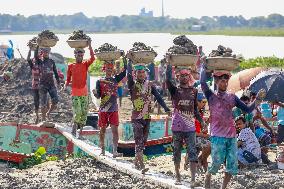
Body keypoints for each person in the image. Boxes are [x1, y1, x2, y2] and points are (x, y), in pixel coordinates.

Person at [200, 64, 266, 189]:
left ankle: (223, 187)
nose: (224, 83)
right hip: (217, 135)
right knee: (216, 163)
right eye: (221, 81)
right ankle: (208, 175)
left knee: (231, 165)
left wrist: (257, 101)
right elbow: (203, 83)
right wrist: (204, 67)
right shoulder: (211, 96)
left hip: (231, 135)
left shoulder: (232, 97)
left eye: (226, 81)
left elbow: (246, 109)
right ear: (216, 81)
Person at [127, 60, 170, 173]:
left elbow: (158, 97)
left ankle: (135, 162)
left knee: (144, 142)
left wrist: (166, 108)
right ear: (135, 74)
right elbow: (128, 74)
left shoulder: (150, 85)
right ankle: (141, 165)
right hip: (136, 118)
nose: (141, 74)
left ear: (146, 73)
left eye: (143, 72)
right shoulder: (132, 85)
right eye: (139, 72)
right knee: (139, 142)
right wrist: (128, 61)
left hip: (146, 118)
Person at [166, 65, 205, 186]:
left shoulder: (194, 91)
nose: (184, 77)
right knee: (177, 151)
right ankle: (178, 176)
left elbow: (195, 110)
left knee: (192, 152)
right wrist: (169, 65)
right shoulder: (175, 90)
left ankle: (193, 179)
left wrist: (202, 121)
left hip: (190, 127)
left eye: (186, 75)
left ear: (189, 76)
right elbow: (167, 80)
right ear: (178, 77)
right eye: (181, 75)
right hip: (177, 127)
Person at [93, 57, 127, 157]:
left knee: (115, 131)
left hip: (113, 109)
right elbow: (99, 96)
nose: (109, 70)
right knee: (102, 130)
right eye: (107, 69)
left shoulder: (116, 79)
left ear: (112, 70)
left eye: (110, 69)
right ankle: (102, 149)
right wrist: (95, 94)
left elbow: (125, 71)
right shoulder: (99, 81)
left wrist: (124, 58)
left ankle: (115, 151)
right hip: (103, 109)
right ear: (105, 69)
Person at [65, 41, 95, 137]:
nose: (80, 55)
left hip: (84, 93)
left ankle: (80, 133)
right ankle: (74, 129)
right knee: (77, 112)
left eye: (81, 54)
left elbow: (93, 58)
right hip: (75, 93)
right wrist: (65, 85)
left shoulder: (85, 64)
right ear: (75, 54)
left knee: (84, 113)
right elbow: (68, 79)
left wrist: (89, 45)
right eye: (78, 53)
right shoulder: (71, 66)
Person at [34, 46, 61, 121]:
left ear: (49, 52)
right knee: (43, 103)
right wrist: (37, 45)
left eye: (47, 52)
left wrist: (58, 82)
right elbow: (35, 55)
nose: (46, 53)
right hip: (43, 84)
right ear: (42, 52)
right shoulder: (39, 61)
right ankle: (43, 119)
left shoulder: (51, 61)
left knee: (55, 100)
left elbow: (55, 72)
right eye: (44, 52)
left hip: (51, 84)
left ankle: (48, 113)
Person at [27, 46, 42, 123]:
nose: (34, 60)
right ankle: (37, 117)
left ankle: (44, 116)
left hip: (42, 86)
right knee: (36, 102)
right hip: (35, 86)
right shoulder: (32, 66)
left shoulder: (41, 63)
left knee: (44, 101)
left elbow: (36, 55)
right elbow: (28, 58)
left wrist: (37, 46)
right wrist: (30, 49)